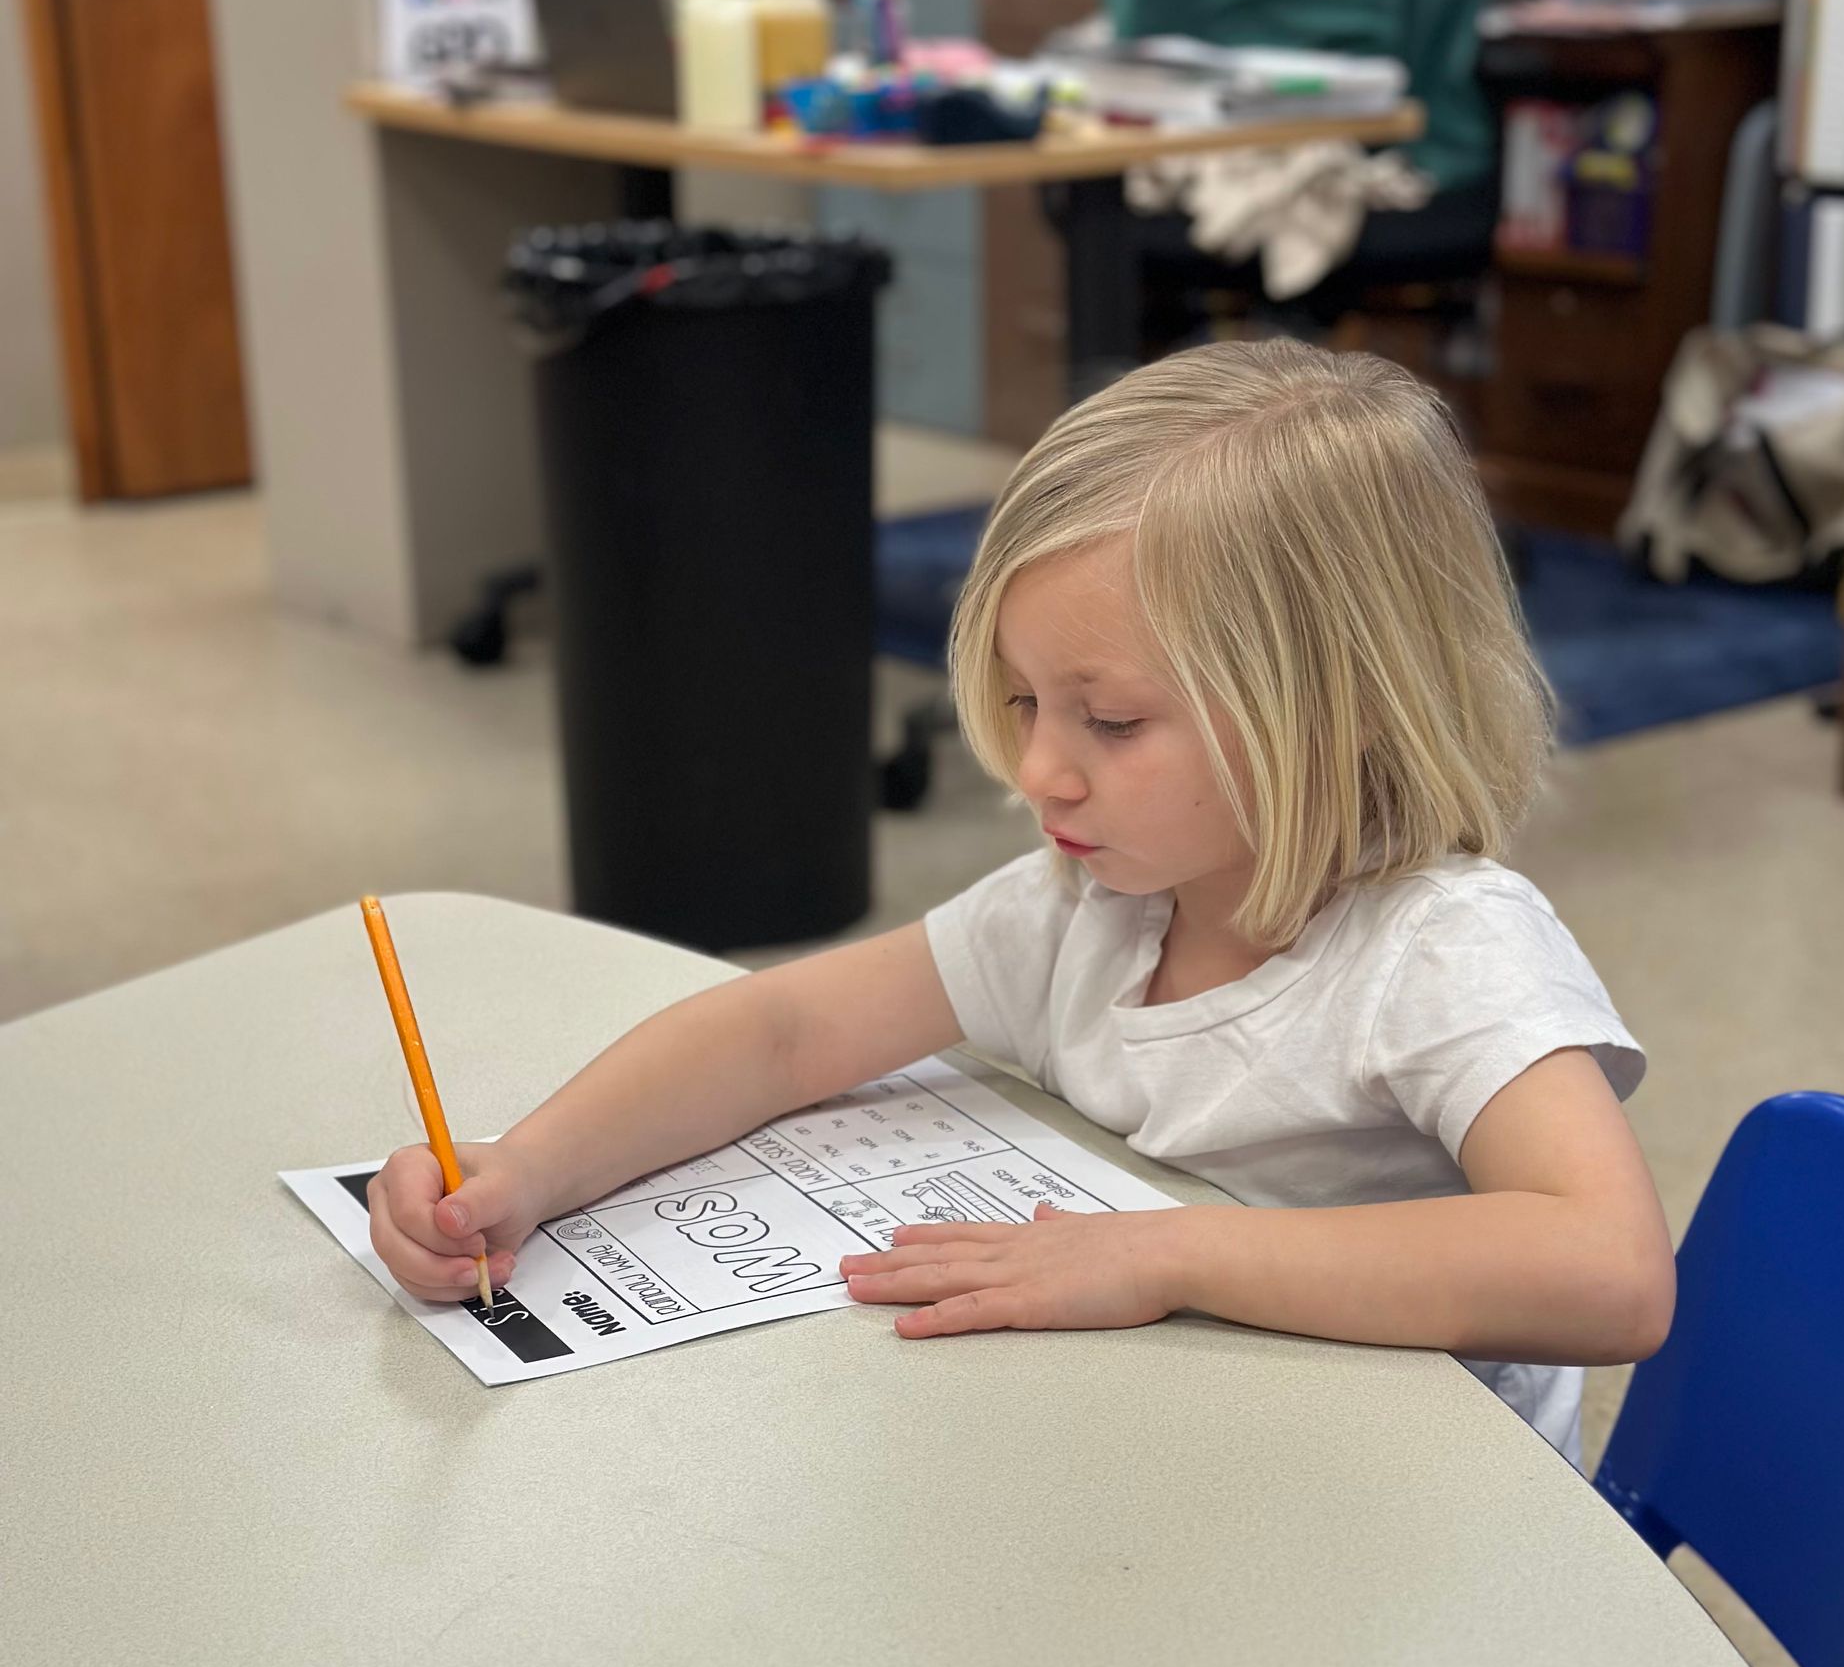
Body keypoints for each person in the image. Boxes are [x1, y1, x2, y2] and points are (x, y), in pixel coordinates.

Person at [369, 341, 1673, 1458]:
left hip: (1416, 1514)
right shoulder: (1089, 904)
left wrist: (1165, 1254)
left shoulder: (1443, 950)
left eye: (1109, 718)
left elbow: (1610, 1274)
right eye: (1021, 700)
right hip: (1170, 1440)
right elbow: (785, 1032)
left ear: (1331, 716)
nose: (1041, 767)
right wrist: (530, 1167)